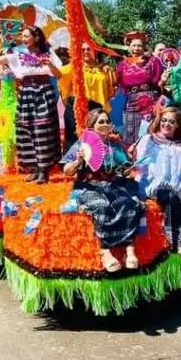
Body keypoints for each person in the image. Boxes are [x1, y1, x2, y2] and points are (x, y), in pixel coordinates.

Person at [0, 25, 62, 184]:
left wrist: (49, 64)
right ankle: (34, 169)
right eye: (22, 36)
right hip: (26, 93)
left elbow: (58, 75)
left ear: (36, 38)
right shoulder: (18, 54)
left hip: (43, 93)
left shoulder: (47, 53)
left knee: (42, 131)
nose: (23, 39)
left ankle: (44, 170)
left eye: (26, 36)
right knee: (26, 130)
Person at [62, 109, 144, 272]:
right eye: (101, 121)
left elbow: (125, 170)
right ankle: (105, 251)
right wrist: (78, 161)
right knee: (102, 206)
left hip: (113, 184)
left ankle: (129, 249)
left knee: (127, 203)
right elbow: (66, 171)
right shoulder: (82, 144)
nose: (105, 124)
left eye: (107, 121)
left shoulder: (115, 144)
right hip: (89, 186)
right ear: (91, 126)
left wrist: (131, 161)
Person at [132, 106, 181, 258]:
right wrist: (136, 153)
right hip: (155, 184)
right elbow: (138, 165)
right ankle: (175, 243)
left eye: (171, 122)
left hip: (180, 181)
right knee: (171, 197)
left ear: (177, 125)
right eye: (164, 120)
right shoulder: (149, 140)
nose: (166, 124)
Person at [115, 31, 164, 147]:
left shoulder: (153, 61)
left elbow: (158, 82)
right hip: (132, 101)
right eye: (134, 45)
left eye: (139, 45)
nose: (136, 48)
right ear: (129, 47)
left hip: (150, 100)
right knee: (131, 134)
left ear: (144, 47)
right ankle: (133, 162)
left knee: (150, 131)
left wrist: (163, 81)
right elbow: (116, 82)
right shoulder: (123, 64)